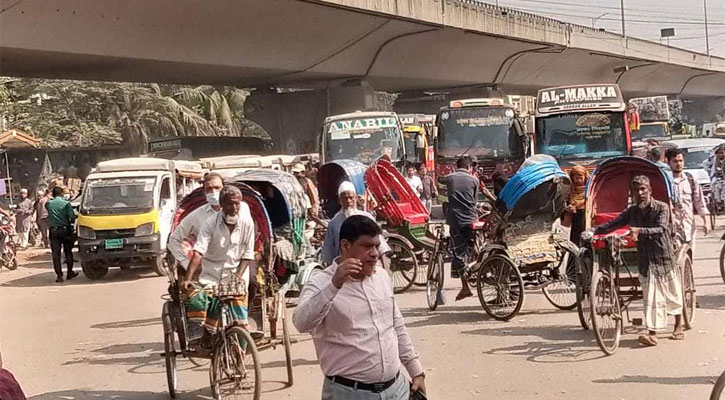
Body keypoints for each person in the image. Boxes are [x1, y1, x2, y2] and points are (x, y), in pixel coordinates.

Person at [293, 215, 426, 400]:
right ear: (345, 246)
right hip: (348, 393)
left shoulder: (381, 276)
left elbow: (395, 324)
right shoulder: (321, 283)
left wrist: (415, 370)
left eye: (376, 246)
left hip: (397, 389)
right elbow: (301, 323)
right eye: (366, 246)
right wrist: (334, 285)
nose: (374, 253)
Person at [592, 175, 683, 346]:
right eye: (636, 190)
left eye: (643, 189)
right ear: (632, 193)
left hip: (662, 255)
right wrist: (595, 231)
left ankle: (678, 324)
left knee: (672, 293)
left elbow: (662, 228)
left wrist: (639, 230)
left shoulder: (661, 208)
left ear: (650, 190)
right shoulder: (632, 211)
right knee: (650, 297)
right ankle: (652, 333)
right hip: (645, 258)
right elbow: (615, 223)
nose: (640, 193)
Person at [181, 186, 256, 348]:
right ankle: (208, 334)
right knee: (208, 306)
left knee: (241, 320)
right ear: (221, 204)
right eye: (230, 204)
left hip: (237, 274)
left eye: (237, 204)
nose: (234, 208)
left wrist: (237, 276)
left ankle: (239, 354)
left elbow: (248, 254)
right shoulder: (210, 224)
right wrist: (188, 278)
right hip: (212, 275)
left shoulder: (247, 223)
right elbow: (199, 252)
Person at [319, 181, 390, 266]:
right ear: (339, 200)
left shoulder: (367, 217)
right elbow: (329, 254)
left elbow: (380, 246)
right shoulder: (334, 223)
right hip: (345, 269)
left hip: (367, 266)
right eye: (345, 198)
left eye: (351, 197)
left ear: (356, 198)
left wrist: (384, 268)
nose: (348, 201)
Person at [444, 156, 479, 302]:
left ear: (456, 166)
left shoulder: (450, 178)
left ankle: (465, 287)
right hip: (472, 219)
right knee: (474, 247)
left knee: (458, 253)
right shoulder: (474, 180)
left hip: (456, 221)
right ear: (470, 167)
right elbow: (474, 201)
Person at [666, 148, 709, 248]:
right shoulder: (666, 181)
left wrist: (705, 222)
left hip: (689, 227)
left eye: (681, 161)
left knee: (689, 259)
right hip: (673, 229)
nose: (678, 164)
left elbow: (699, 201)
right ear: (668, 163)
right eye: (675, 161)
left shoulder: (690, 179)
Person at [45, 186, 78, 283]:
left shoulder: (49, 204)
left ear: (53, 194)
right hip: (65, 230)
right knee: (68, 252)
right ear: (62, 194)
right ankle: (69, 272)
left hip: (53, 231)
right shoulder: (66, 204)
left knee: (56, 254)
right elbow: (71, 217)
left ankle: (59, 275)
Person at [562, 166, 589, 244]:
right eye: (576, 178)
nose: (579, 180)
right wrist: (567, 208)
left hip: (587, 219)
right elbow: (562, 204)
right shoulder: (568, 190)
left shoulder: (590, 189)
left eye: (581, 177)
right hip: (574, 220)